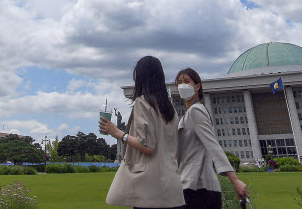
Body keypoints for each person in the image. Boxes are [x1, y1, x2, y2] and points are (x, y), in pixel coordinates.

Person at [101, 56, 185, 209]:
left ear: (139, 78)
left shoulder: (143, 103)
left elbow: (147, 146)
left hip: (150, 191)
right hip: (173, 188)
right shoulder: (169, 108)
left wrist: (118, 133)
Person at [175, 68, 249, 208]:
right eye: (179, 83)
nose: (182, 85)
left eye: (187, 81)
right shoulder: (192, 112)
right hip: (196, 186)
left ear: (197, 86)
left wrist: (235, 180)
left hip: (198, 187)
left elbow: (212, 145)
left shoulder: (196, 111)